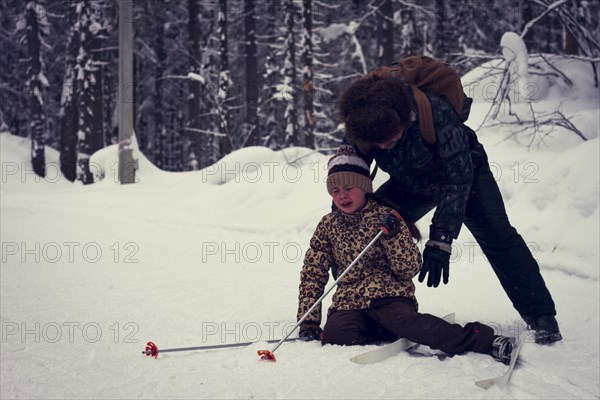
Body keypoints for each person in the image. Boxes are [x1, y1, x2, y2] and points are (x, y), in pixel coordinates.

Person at [337, 70, 562, 344]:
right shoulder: (361, 127)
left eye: (390, 138)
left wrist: (440, 240)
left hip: (467, 174)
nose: (383, 146)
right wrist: (344, 228)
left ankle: (540, 315)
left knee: (498, 238)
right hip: (409, 181)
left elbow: (457, 179)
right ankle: (372, 306)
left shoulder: (436, 112)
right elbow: (347, 176)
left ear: (404, 118)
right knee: (367, 229)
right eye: (377, 144)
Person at [296, 145, 515, 365]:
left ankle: (484, 340)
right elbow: (313, 273)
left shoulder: (387, 217)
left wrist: (393, 238)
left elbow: (409, 267)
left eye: (348, 187)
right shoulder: (328, 225)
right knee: (336, 335)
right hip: (349, 302)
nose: (342, 195)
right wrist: (309, 322)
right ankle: (383, 328)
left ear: (364, 187)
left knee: (413, 325)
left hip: (389, 297)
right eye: (335, 191)